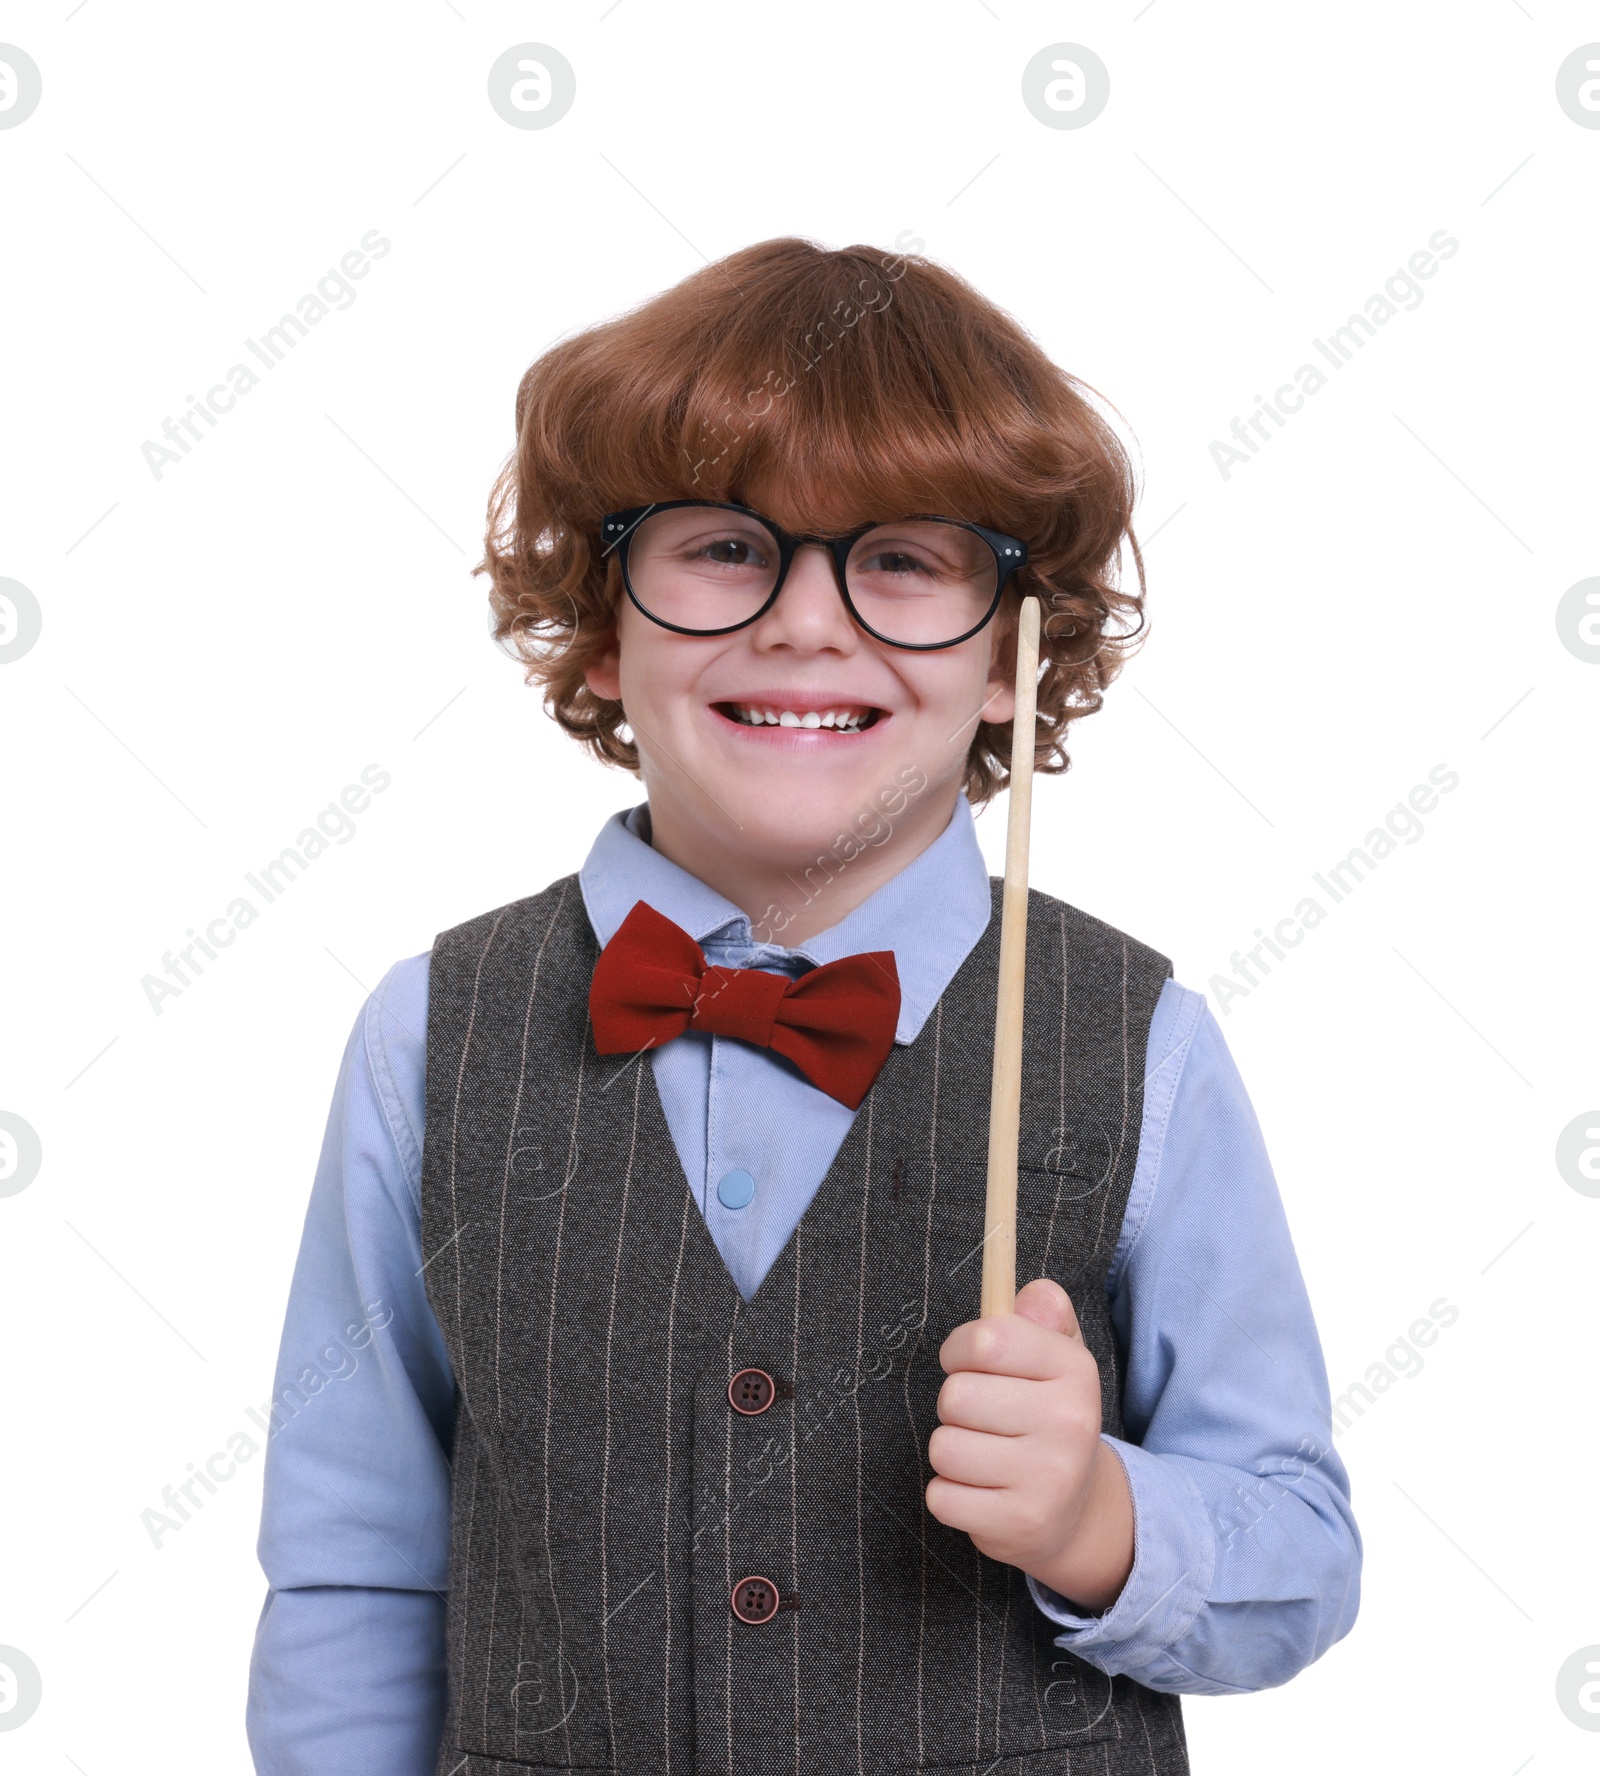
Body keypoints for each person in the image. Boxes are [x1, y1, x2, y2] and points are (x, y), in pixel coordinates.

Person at [245, 236, 1360, 1775]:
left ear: (1008, 656)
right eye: (723, 545)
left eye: (900, 557)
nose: (806, 622)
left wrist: (1103, 1518)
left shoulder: (1141, 1042)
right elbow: (356, 1566)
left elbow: (1301, 1550)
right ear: (603, 615)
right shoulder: (429, 1035)